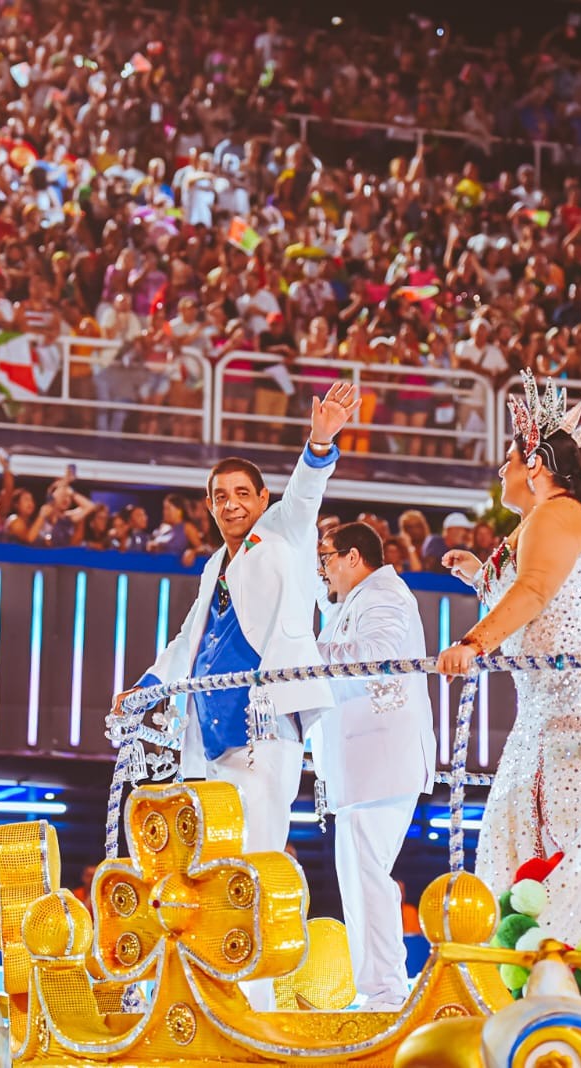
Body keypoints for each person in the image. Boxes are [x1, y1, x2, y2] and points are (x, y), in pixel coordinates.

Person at [436, 373, 581, 947]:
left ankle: (564, 964)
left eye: (508, 459)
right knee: (537, 830)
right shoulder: (553, 518)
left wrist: (473, 642)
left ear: (534, 463)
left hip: (578, 706)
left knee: (565, 837)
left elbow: (533, 593)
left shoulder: (553, 517)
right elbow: (537, 596)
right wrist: (481, 578)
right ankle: (546, 960)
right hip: (558, 704)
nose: (500, 472)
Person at [113, 381, 359, 857]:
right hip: (209, 730)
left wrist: (321, 442)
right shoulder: (212, 567)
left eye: (243, 493)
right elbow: (189, 640)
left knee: (259, 858)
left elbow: (307, 492)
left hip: (262, 724)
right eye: (221, 496)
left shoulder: (282, 533)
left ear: (264, 499)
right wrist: (143, 688)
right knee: (211, 864)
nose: (232, 504)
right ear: (209, 506)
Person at [313, 521, 435, 1011]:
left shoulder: (384, 594)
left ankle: (385, 990)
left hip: (381, 757)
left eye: (326, 559)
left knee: (369, 874)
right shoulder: (357, 600)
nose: (323, 570)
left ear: (353, 557)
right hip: (364, 763)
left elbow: (379, 656)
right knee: (360, 875)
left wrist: (306, 655)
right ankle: (377, 988)